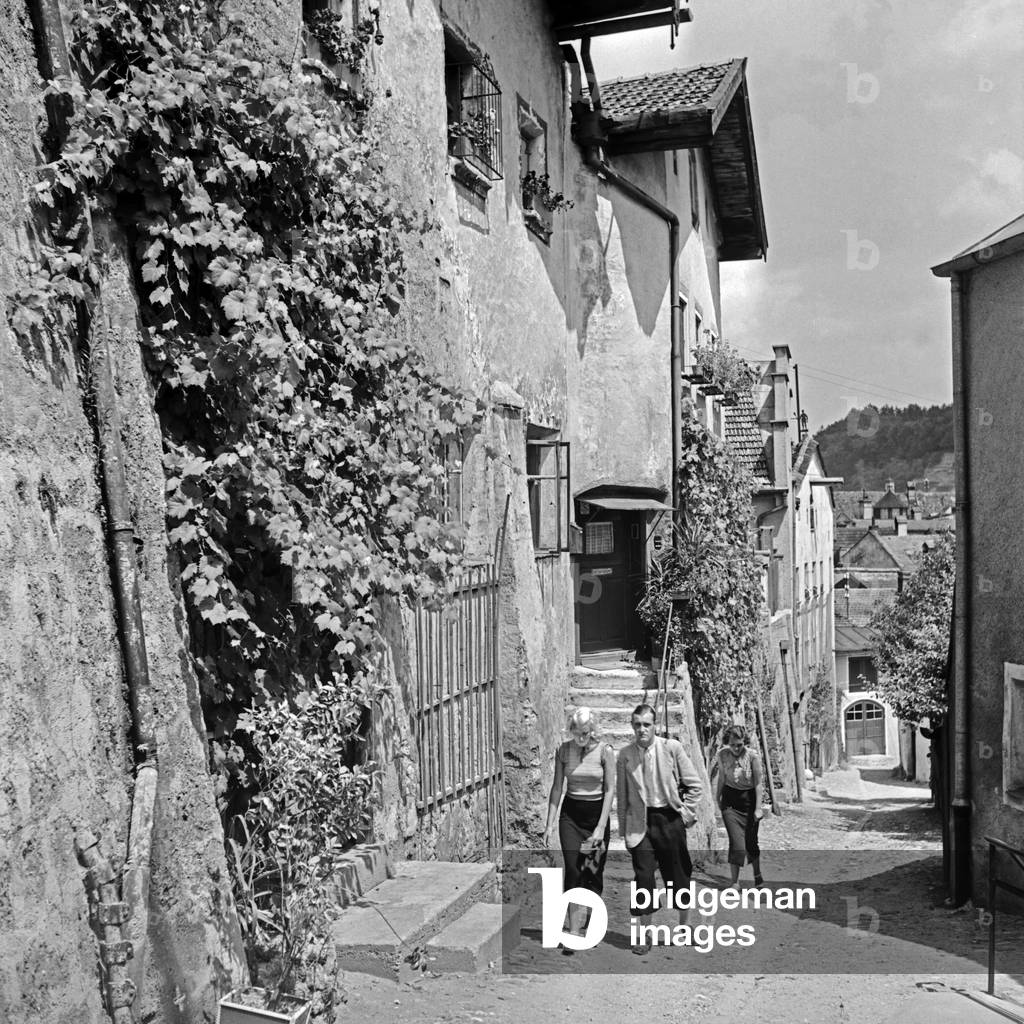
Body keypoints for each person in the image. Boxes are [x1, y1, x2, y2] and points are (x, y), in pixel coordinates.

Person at [617, 703, 703, 954]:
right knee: (643, 879)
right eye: (637, 725)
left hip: (669, 820)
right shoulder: (625, 755)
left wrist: (685, 812)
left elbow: (694, 784)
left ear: (655, 725)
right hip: (640, 825)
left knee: (678, 875)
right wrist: (624, 832)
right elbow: (622, 797)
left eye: (646, 724)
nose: (641, 729)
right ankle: (645, 937)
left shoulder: (671, 748)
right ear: (632, 726)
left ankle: (684, 930)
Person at [542, 707, 615, 954]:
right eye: (576, 733)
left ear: (592, 730)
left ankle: (592, 927)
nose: (580, 738)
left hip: (596, 816)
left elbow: (609, 790)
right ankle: (573, 931)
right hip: (571, 815)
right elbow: (556, 788)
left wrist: (601, 826)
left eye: (584, 733)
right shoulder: (564, 751)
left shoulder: (605, 752)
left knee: (592, 872)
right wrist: (550, 822)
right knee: (573, 870)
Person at [715, 723, 765, 887]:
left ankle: (757, 874)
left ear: (745, 743)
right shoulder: (722, 755)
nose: (736, 748)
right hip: (730, 802)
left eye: (739, 745)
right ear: (727, 743)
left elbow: (758, 784)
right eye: (732, 745)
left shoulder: (752, 757)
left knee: (751, 843)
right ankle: (734, 882)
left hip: (749, 802)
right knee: (736, 843)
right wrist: (717, 798)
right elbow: (722, 777)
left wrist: (758, 809)